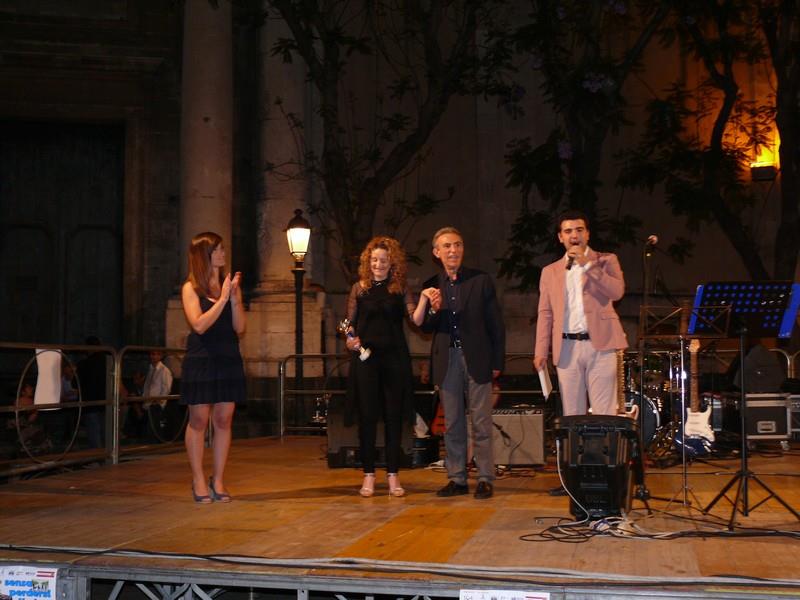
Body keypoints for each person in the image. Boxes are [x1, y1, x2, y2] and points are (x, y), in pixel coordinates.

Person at [418, 227, 505, 500]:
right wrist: (433, 308)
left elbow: (496, 324)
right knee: (452, 422)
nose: (453, 250)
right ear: (436, 252)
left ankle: (485, 478)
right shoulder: (431, 284)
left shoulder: (481, 280)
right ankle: (457, 478)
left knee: (481, 421)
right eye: (447, 246)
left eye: (457, 245)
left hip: (477, 357)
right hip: (447, 359)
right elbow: (426, 327)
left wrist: (497, 361)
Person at [344, 236, 432, 497]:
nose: (378, 265)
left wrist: (424, 299)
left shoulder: (400, 288)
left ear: (392, 263)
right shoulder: (359, 288)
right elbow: (348, 324)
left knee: (394, 416)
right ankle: (368, 474)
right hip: (366, 360)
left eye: (383, 260)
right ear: (368, 261)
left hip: (395, 359)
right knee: (367, 416)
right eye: (374, 260)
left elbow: (416, 319)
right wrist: (350, 340)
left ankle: (393, 475)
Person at [533, 210, 628, 419]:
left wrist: (588, 265)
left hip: (601, 345)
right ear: (560, 237)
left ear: (587, 234)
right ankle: (575, 443)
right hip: (566, 347)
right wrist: (541, 351)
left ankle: (604, 442)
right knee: (572, 414)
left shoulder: (606, 260)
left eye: (579, 230)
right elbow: (545, 313)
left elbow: (617, 292)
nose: (574, 235)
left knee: (604, 413)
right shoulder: (550, 271)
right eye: (568, 231)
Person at [180, 232, 246, 504]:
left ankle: (218, 479)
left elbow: (240, 327)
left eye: (222, 249)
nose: (222, 253)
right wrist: (221, 300)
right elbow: (199, 325)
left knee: (223, 419)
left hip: (228, 357)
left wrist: (234, 298)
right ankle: (198, 478)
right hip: (202, 358)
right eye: (217, 250)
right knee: (198, 420)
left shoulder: (229, 285)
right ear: (203, 255)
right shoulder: (191, 288)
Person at [143, 350, 174, 440]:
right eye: (152, 354)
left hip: (157, 405)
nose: (154, 356)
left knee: (157, 429)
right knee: (150, 429)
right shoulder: (151, 369)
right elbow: (147, 386)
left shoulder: (164, 370)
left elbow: (167, 388)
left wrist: (159, 402)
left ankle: (156, 443)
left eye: (157, 354)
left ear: (161, 356)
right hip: (149, 403)